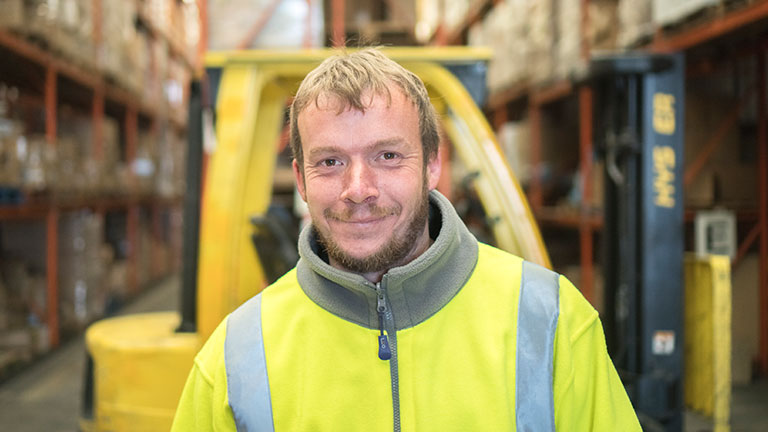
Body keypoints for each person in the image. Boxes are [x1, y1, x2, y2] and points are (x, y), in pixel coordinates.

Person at [171, 48, 641, 431]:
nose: (358, 189)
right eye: (330, 162)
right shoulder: (233, 359)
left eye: (388, 155)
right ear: (300, 178)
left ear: (433, 165)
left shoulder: (552, 321)